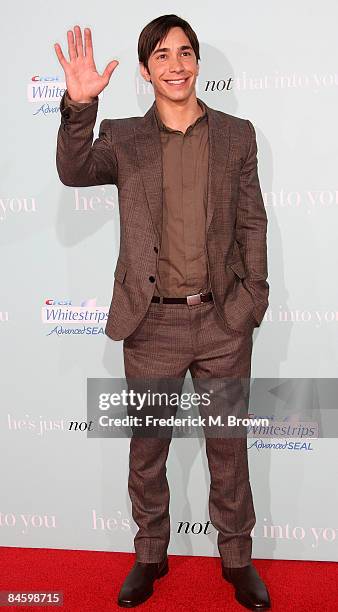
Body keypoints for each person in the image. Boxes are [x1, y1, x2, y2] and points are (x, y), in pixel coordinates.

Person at [55, 14, 270, 609]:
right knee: (147, 449)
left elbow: (253, 221)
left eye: (185, 52)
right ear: (147, 70)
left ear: (197, 62)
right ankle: (149, 554)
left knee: (229, 446)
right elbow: (73, 171)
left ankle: (238, 560)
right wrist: (78, 108)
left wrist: (253, 298)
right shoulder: (122, 137)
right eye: (162, 55)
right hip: (150, 324)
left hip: (224, 323)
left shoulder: (236, 134)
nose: (175, 64)